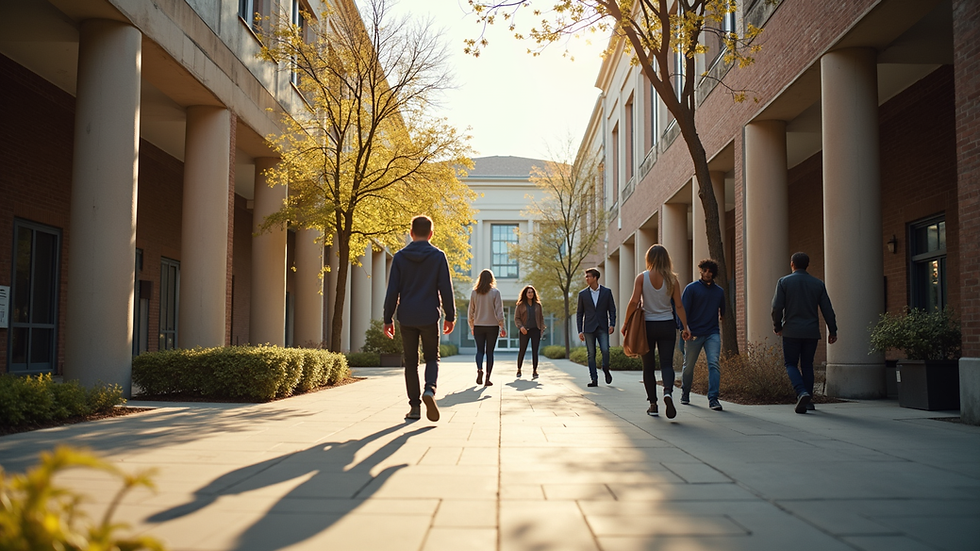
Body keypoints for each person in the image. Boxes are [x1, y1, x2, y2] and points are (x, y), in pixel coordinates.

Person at [383, 215, 456, 422]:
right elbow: (445, 288)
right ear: (431, 233)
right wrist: (450, 316)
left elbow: (392, 291)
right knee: (432, 357)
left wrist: (387, 318)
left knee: (411, 362)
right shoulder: (438, 256)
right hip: (429, 315)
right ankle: (430, 391)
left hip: (406, 316)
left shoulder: (399, 257)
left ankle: (414, 407)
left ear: (411, 233)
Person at [625, 245, 690, 418]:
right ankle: (667, 392)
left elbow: (633, 302)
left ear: (649, 258)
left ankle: (653, 405)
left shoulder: (642, 277)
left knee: (648, 367)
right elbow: (679, 306)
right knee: (667, 363)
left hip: (647, 326)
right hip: (667, 325)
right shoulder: (672, 280)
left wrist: (626, 323)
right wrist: (685, 327)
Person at [771, 251, 838, 414]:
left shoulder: (784, 282)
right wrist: (832, 329)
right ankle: (808, 402)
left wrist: (777, 326)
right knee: (807, 364)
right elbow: (828, 309)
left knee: (790, 364)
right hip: (811, 332)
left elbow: (776, 307)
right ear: (807, 265)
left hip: (791, 331)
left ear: (792, 264)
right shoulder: (818, 284)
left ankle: (801, 392)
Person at [680, 259, 727, 411]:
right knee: (688, 366)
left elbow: (723, 312)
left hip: (712, 333)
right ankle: (685, 392)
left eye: (710, 271)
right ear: (700, 270)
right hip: (694, 333)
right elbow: (683, 311)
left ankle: (713, 399)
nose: (707, 273)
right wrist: (684, 328)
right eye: (704, 270)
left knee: (713, 363)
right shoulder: (691, 289)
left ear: (714, 273)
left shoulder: (719, 291)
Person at [576, 268, 617, 387]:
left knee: (605, 350)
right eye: (586, 276)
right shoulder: (582, 294)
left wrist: (612, 324)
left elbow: (612, 309)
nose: (586, 278)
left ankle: (605, 367)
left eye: (588, 276)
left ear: (595, 278)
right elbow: (579, 313)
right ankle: (594, 379)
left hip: (602, 327)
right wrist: (580, 330)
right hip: (588, 328)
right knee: (591, 354)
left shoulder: (606, 292)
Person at [468, 269, 506, 387]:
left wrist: (472, 325)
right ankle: (487, 378)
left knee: (479, 350)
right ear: (491, 279)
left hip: (479, 325)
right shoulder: (496, 292)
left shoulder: (474, 293)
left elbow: (471, 311)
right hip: (492, 326)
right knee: (490, 352)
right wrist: (502, 326)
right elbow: (499, 311)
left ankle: (479, 370)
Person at [514, 285, 546, 379]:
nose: (530, 294)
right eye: (528, 292)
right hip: (524, 330)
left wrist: (541, 329)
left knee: (535, 351)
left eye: (532, 292)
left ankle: (535, 371)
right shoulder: (520, 305)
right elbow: (517, 318)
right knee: (522, 350)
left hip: (535, 330)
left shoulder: (538, 305)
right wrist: (521, 327)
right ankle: (519, 369)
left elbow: (541, 318)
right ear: (525, 293)